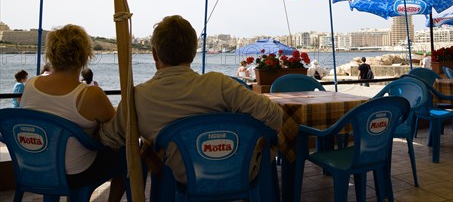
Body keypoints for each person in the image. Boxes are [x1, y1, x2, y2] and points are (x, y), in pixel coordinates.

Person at [99, 15, 283, 185]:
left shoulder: (137, 98)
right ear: (193, 52)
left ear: (155, 54)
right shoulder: (219, 85)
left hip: (182, 180)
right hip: (237, 174)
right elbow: (274, 115)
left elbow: (109, 138)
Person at [20, 24, 124, 201]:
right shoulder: (89, 94)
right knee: (126, 156)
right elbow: (118, 128)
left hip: (36, 167)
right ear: (85, 55)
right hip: (75, 174)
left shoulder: (30, 85)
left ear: (51, 53)